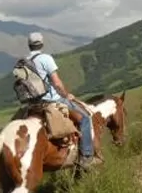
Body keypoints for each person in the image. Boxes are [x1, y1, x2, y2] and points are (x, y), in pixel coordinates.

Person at [25, 32, 97, 170]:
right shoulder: (45, 58)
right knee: (85, 118)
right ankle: (86, 157)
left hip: (32, 104)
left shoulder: (24, 62)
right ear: (42, 44)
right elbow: (57, 83)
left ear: (29, 45)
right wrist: (67, 95)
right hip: (50, 101)